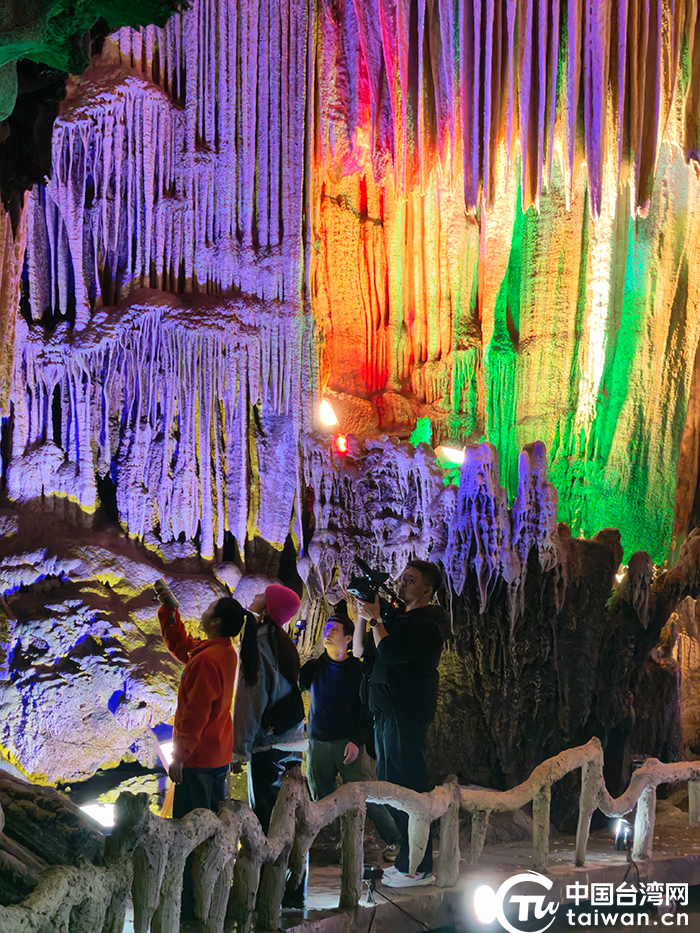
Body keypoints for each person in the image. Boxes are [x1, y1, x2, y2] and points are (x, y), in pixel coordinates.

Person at [155, 588, 257, 916]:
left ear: (215, 621)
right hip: (216, 757)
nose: (205, 610)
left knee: (190, 833)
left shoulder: (209, 661)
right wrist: (171, 612)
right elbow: (184, 647)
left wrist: (179, 757)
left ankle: (188, 904)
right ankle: (209, 896)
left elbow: (193, 713)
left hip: (198, 761)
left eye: (209, 608)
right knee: (211, 828)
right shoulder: (222, 651)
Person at [353, 559, 448, 888]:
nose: (403, 583)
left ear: (426, 590)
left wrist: (378, 617)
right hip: (386, 713)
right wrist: (365, 615)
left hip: (405, 714)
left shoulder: (428, 625)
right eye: (402, 578)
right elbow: (363, 651)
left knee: (409, 788)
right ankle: (410, 859)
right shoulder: (398, 619)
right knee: (393, 788)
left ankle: (418, 868)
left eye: (410, 580)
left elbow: (391, 653)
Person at [299, 613, 401, 852]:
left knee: (368, 794)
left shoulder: (359, 670)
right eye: (326, 628)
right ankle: (334, 842)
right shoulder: (314, 668)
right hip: (318, 743)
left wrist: (358, 740)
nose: (327, 632)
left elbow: (368, 709)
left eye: (334, 629)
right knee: (322, 798)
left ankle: (396, 839)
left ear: (348, 638)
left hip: (348, 743)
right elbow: (298, 686)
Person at [231, 584, 305, 834]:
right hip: (293, 743)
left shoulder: (259, 643)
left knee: (268, 822)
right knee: (290, 818)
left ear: (270, 607)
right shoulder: (285, 644)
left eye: (263, 595)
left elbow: (251, 697)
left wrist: (240, 749)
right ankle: (295, 873)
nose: (256, 596)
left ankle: (267, 873)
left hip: (269, 745)